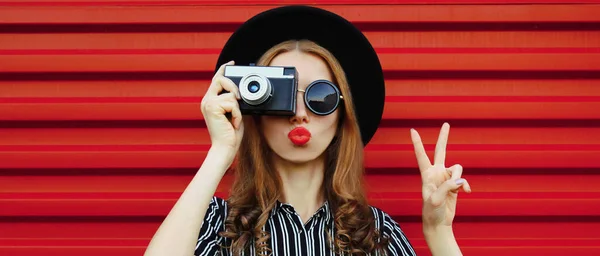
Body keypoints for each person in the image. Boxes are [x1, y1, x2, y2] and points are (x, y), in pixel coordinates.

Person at [144, 5, 471, 256]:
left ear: (342, 113)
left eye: (320, 96)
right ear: (253, 109)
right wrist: (220, 151)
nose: (299, 114)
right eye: (282, 97)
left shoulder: (375, 233)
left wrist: (438, 231)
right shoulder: (213, 222)